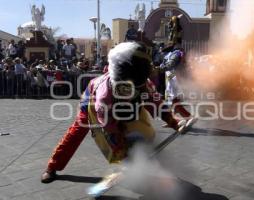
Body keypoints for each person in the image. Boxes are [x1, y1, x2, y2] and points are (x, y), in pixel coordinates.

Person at [41, 42, 185, 183]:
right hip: (92, 102)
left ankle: (147, 164)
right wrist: (121, 153)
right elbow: (108, 128)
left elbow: (157, 103)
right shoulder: (104, 96)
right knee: (77, 131)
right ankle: (52, 166)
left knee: (139, 133)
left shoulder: (142, 83)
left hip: (125, 110)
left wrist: (174, 122)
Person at [158, 45, 196, 126]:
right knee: (170, 101)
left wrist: (160, 68)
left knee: (173, 100)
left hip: (174, 79)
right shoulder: (170, 54)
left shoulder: (175, 53)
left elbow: (170, 65)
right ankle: (172, 120)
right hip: (170, 79)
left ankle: (188, 116)